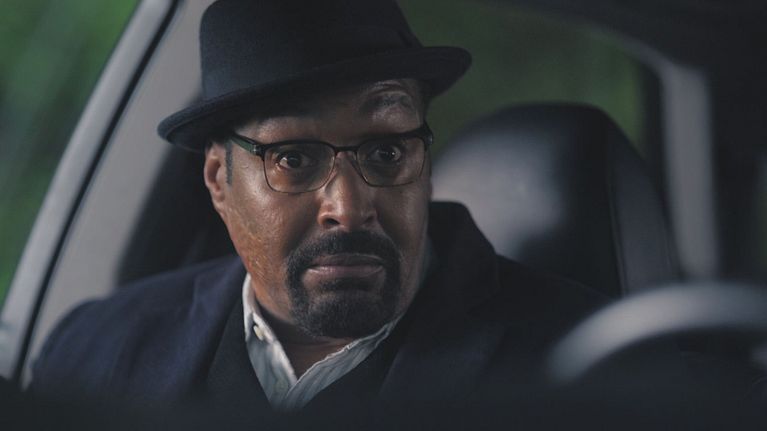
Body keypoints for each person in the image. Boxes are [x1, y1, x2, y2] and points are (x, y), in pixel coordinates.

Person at [29, 0, 606, 426]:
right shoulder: (92, 352)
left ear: (424, 164)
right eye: (294, 159)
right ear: (219, 181)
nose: (348, 209)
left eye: (386, 153)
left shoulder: (591, 367)